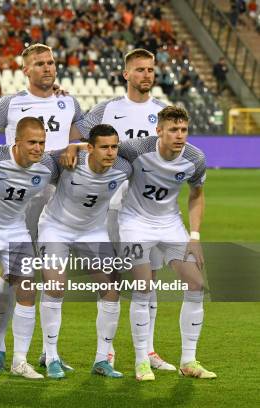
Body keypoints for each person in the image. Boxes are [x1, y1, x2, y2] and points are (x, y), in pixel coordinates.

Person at [67, 106, 216, 381]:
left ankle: (189, 360)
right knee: (143, 287)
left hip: (171, 224)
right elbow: (103, 148)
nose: (179, 135)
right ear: (159, 131)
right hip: (134, 224)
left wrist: (194, 236)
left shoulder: (195, 158)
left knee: (196, 284)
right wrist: (76, 147)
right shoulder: (137, 149)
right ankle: (141, 361)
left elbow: (197, 194)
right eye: (173, 130)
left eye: (183, 130)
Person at [0, 43, 83, 373]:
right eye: (39, 63)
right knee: (12, 276)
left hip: (58, 197)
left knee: (52, 276)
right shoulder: (10, 103)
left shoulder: (69, 102)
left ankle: (48, 352)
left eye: (51, 62)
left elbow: (79, 139)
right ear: (25, 70)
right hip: (17, 199)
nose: (47, 68)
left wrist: (74, 147)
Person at [73, 48, 174, 372]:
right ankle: (106, 354)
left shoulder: (162, 112)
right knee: (111, 281)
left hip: (148, 210)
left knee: (148, 281)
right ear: (126, 74)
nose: (147, 75)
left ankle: (149, 352)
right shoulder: (108, 109)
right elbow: (77, 138)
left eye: (151, 69)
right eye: (140, 69)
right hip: (112, 208)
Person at [0, 117, 60, 380]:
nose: (38, 148)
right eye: (31, 142)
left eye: (42, 142)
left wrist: (77, 148)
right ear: (16, 142)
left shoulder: (48, 165)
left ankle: (20, 361)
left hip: (16, 232)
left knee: (28, 291)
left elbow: (73, 156)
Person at [37, 124, 132, 379]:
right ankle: (51, 356)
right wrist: (72, 147)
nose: (110, 153)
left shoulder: (123, 168)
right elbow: (39, 157)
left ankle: (102, 360)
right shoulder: (69, 161)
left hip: (93, 232)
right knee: (56, 285)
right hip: (56, 228)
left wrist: (76, 144)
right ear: (90, 148)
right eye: (104, 147)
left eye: (114, 147)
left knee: (112, 288)